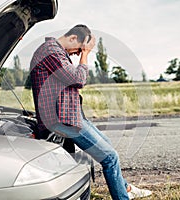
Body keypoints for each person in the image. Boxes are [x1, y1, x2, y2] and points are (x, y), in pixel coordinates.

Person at [30, 24, 152, 200]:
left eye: (81, 52)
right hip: (62, 120)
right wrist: (86, 55)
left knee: (107, 145)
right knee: (110, 157)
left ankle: (126, 189)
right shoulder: (50, 51)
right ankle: (123, 196)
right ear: (72, 38)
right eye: (79, 49)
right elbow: (78, 79)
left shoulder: (55, 51)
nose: (78, 54)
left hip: (71, 115)